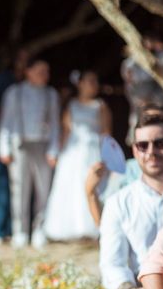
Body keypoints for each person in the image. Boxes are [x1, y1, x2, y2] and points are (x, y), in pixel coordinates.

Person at [99, 109, 163, 289]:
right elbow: (112, 263)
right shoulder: (119, 202)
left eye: (160, 143)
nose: (151, 152)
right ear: (134, 150)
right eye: (143, 145)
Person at [0, 57, 60, 249]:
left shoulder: (51, 94)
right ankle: (20, 231)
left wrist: (54, 149)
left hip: (42, 144)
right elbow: (5, 122)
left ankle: (40, 229)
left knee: (43, 190)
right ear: (29, 72)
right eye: (40, 71)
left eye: (47, 72)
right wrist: (4, 147)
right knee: (20, 190)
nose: (45, 76)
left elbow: (55, 123)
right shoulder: (14, 93)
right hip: (20, 145)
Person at [43, 70, 112, 241]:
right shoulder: (71, 105)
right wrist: (58, 152)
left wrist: (108, 155)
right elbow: (66, 131)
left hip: (93, 150)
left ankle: (93, 226)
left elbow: (106, 132)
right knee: (70, 187)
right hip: (73, 152)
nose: (93, 85)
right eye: (90, 81)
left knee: (93, 185)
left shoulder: (100, 105)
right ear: (80, 83)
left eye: (95, 81)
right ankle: (69, 227)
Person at [0, 49, 29, 246]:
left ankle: (13, 228)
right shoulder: (4, 80)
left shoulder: (28, 84)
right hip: (4, 136)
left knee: (20, 186)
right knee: (0, 183)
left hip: (26, 141)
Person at [121, 29, 163, 144]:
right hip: (140, 114)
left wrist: (152, 102)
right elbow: (130, 88)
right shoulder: (130, 64)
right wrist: (141, 101)